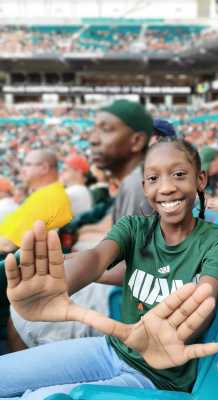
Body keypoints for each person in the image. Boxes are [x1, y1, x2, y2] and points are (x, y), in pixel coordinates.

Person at [0, 138, 218, 398]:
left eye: (179, 174)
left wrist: (173, 331)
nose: (166, 187)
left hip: (158, 377)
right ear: (144, 187)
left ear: (200, 179)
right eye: (153, 178)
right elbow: (95, 259)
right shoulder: (133, 227)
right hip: (111, 348)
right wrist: (61, 285)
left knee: (35, 397)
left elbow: (206, 296)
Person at [8, 99, 154, 350]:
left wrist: (71, 277)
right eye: (94, 129)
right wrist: (74, 262)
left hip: (131, 308)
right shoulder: (133, 181)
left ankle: (35, 386)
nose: (94, 139)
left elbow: (142, 270)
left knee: (22, 315)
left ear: (137, 141)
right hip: (125, 295)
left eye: (106, 129)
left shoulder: (140, 183)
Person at [0, 149, 72, 254]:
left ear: (44, 168)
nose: (22, 169)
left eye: (28, 165)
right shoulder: (44, 194)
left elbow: (7, 244)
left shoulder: (48, 197)